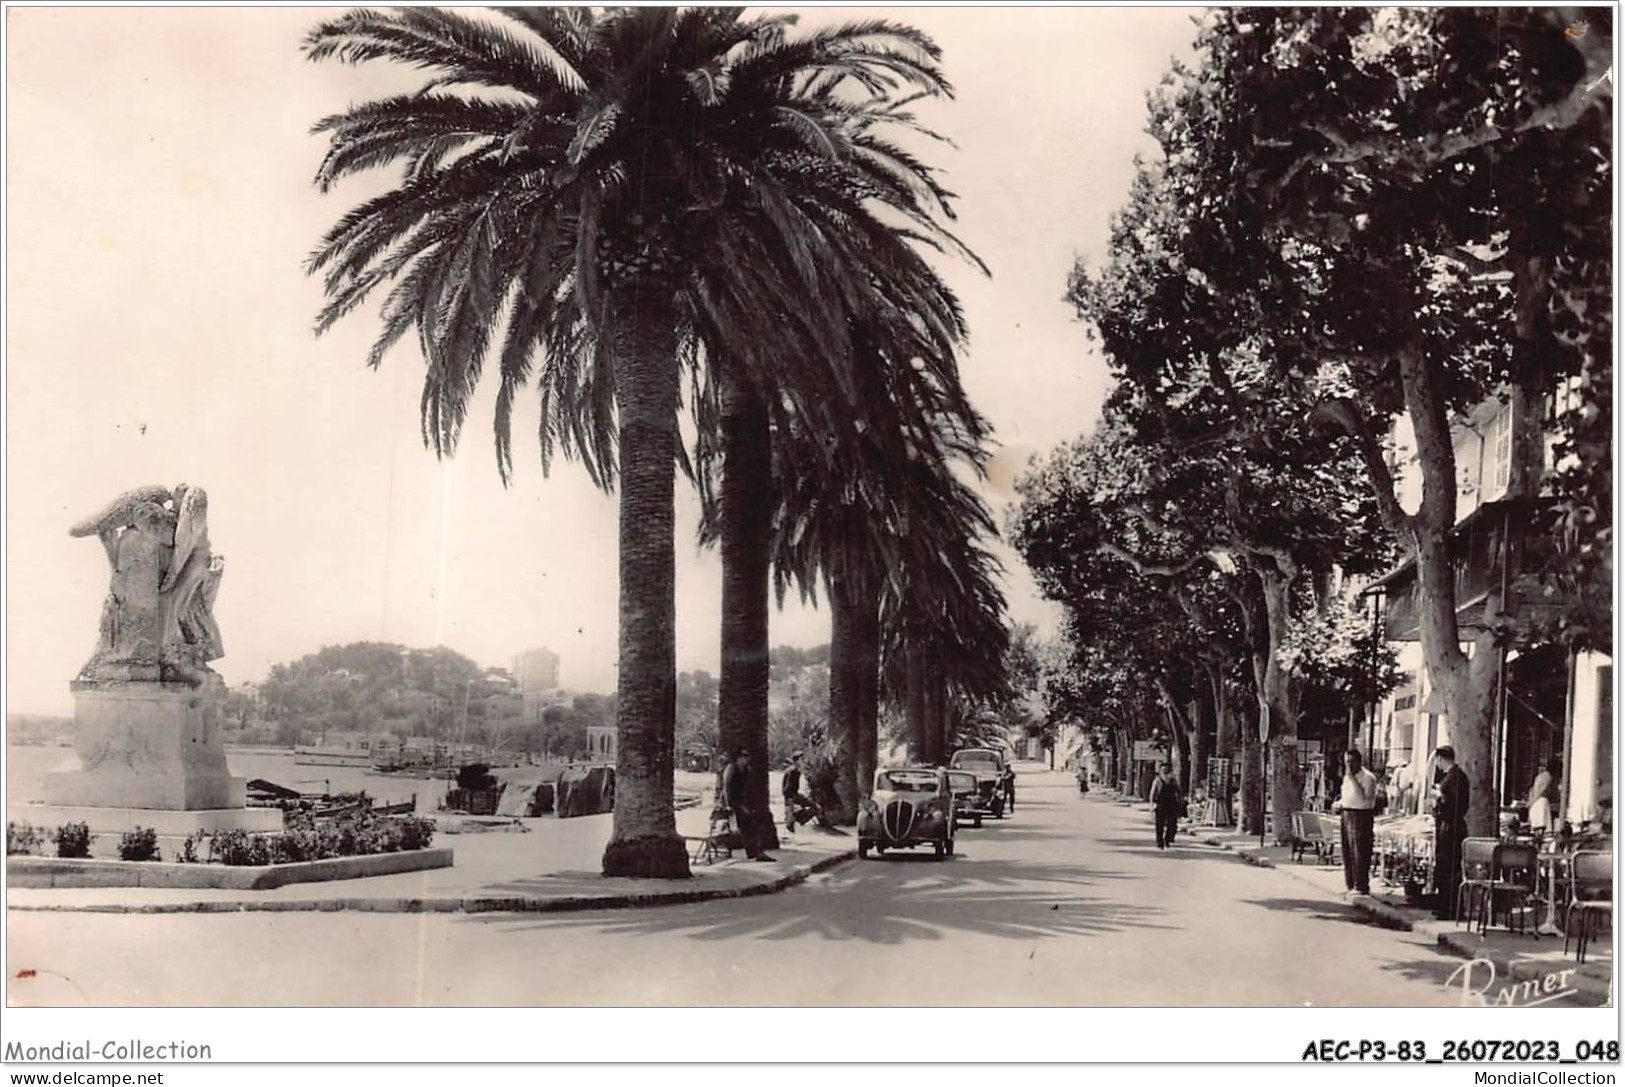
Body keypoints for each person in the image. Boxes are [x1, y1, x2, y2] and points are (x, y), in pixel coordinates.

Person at [1431, 745, 1470, 920]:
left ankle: (1450, 906)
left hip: (1450, 826)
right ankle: (1445, 904)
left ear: (1440, 758)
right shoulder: (1455, 777)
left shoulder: (1454, 778)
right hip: (1449, 825)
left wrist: (1438, 799)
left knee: (1448, 865)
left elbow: (1450, 802)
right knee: (1445, 866)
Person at [1335, 748, 1379, 895]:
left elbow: (1364, 798)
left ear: (1359, 762)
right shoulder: (1347, 777)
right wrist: (1339, 803)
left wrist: (1353, 779)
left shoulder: (1368, 778)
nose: (1349, 766)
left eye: (1351, 762)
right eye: (1347, 762)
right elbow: (1347, 796)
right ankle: (1350, 884)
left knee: (1359, 851)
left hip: (1361, 815)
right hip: (1347, 813)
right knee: (1347, 851)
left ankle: (1361, 885)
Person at [722, 748, 775, 862]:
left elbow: (749, 788)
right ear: (738, 758)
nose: (746, 759)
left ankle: (756, 851)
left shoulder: (745, 770)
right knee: (748, 822)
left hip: (742, 803)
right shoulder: (731, 770)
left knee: (754, 821)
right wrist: (732, 806)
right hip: (733, 803)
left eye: (747, 757)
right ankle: (755, 852)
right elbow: (727, 790)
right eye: (744, 757)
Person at [781, 751, 820, 833]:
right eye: (802, 759)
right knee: (816, 807)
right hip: (792, 796)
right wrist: (792, 800)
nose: (804, 761)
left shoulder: (792, 770)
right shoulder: (793, 771)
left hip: (792, 795)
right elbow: (788, 788)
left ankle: (796, 818)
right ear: (797, 761)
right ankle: (797, 818)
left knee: (814, 807)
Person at [1149, 763, 1182, 849]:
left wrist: (1179, 802)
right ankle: (1159, 842)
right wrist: (1152, 805)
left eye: (1166, 770)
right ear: (1160, 771)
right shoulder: (1157, 781)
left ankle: (1167, 839)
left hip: (1171, 804)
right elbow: (1152, 793)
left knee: (1172, 824)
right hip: (1160, 804)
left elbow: (1178, 792)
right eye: (1163, 770)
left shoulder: (1173, 780)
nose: (1165, 772)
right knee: (1159, 824)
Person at [1526, 756, 1560, 837]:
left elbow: (1533, 790)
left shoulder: (1540, 776)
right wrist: (1531, 802)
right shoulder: (1548, 777)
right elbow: (1541, 791)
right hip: (1541, 802)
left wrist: (1530, 802)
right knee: (1542, 826)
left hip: (1535, 802)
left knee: (1536, 826)